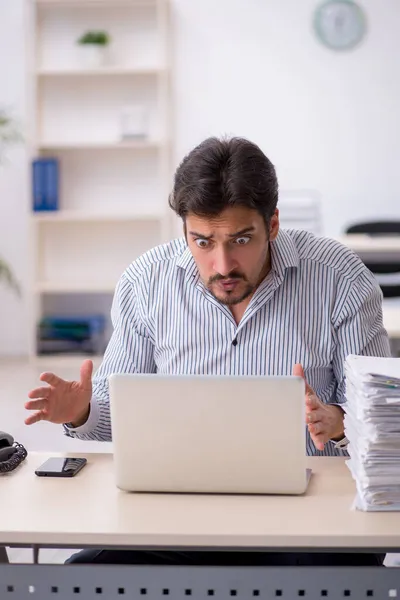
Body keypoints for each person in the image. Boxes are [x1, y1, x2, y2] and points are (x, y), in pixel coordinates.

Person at [26, 137, 390, 566]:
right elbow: (114, 415)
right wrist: (82, 411)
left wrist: (340, 420)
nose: (222, 265)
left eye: (240, 239)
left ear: (272, 224)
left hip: (308, 521)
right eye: (202, 241)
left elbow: (383, 419)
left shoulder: (340, 278)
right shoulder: (146, 282)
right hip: (178, 513)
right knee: (83, 576)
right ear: (183, 230)